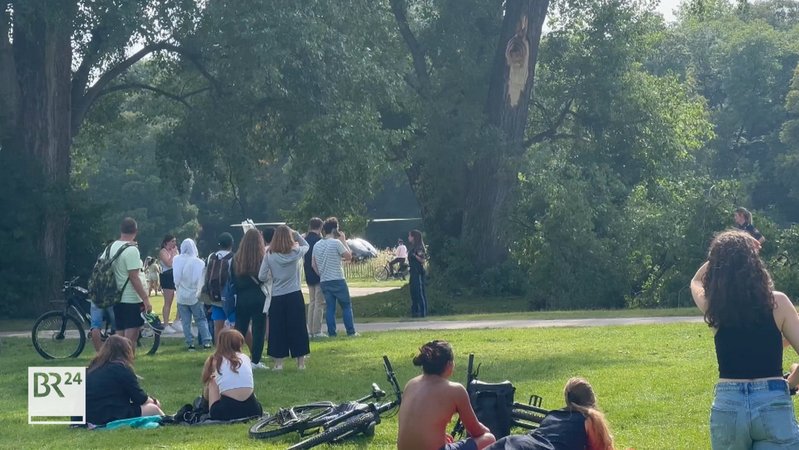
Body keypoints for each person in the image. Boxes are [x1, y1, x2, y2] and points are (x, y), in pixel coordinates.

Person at [691, 230, 799, 449]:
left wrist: (720, 255)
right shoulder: (778, 303)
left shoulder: (716, 305)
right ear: (754, 263)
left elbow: (696, 280)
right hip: (772, 400)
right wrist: (792, 382)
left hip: (729, 402)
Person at [398, 340, 495, 450]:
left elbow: (415, 423)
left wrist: (438, 436)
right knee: (489, 439)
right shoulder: (455, 390)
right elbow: (475, 430)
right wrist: (488, 432)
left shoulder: (411, 384)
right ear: (449, 364)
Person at [486, 378, 615, 450]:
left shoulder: (552, 415)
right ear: (592, 399)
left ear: (567, 399)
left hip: (510, 442)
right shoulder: (588, 420)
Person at [260, 225, 311, 370]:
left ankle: (278, 363)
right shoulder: (296, 253)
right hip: (294, 293)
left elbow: (261, 275)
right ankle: (300, 362)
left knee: (278, 329)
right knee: (298, 327)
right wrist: (296, 235)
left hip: (277, 295)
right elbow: (306, 245)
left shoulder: (269, 254)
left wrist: (272, 277)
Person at [86, 335, 163, 425]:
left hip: (89, 415)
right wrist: (154, 402)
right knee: (153, 408)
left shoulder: (92, 368)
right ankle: (170, 421)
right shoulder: (121, 368)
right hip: (108, 414)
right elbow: (139, 397)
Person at [108, 218, 152, 348]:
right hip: (131, 298)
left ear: (121, 230)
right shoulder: (132, 250)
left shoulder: (111, 247)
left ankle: (117, 363)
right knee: (130, 340)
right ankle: (126, 364)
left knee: (119, 336)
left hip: (116, 297)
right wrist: (145, 299)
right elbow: (134, 277)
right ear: (135, 231)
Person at [201, 328, 263, 420]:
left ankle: (205, 407)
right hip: (254, 410)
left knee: (212, 380)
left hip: (227, 411)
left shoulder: (216, 360)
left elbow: (205, 379)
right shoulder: (245, 358)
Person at [312, 217, 358, 337]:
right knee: (346, 306)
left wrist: (321, 273)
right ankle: (351, 331)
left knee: (330, 308)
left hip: (324, 280)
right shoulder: (336, 243)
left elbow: (313, 264)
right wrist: (343, 240)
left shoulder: (317, 245)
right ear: (334, 230)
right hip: (337, 278)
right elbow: (349, 256)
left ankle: (332, 332)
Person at [232, 228, 269, 369]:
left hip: (241, 297)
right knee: (259, 329)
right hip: (259, 296)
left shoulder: (236, 258)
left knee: (239, 328)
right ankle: (255, 360)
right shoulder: (262, 257)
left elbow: (233, 279)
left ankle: (234, 355)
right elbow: (264, 277)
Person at [172, 238, 213, 351]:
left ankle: (190, 343)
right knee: (200, 319)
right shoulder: (198, 262)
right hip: (194, 296)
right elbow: (200, 280)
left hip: (181, 295)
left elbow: (176, 280)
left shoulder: (176, 260)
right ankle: (206, 342)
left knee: (186, 322)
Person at [207, 232, 237, 346]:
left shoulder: (212, 257)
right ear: (231, 244)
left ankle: (219, 352)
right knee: (235, 326)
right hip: (229, 296)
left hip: (215, 296)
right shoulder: (233, 258)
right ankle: (236, 351)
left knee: (218, 327)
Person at [303, 218, 326, 338]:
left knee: (312, 302)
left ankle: (310, 329)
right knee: (319, 302)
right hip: (318, 274)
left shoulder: (305, 240)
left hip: (308, 274)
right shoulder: (319, 241)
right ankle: (317, 330)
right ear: (320, 227)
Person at [159, 235, 179, 333]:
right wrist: (174, 254)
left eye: (175, 241)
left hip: (175, 275)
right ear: (166, 242)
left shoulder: (175, 251)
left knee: (179, 300)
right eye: (172, 241)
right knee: (168, 301)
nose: (174, 243)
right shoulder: (163, 252)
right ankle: (166, 324)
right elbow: (168, 263)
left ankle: (177, 320)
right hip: (167, 276)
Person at [408, 229, 428, 318]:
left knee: (419, 292)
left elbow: (422, 260)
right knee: (413, 292)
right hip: (412, 272)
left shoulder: (419, 248)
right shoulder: (412, 248)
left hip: (418, 272)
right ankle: (415, 312)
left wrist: (415, 256)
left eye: (410, 236)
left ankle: (423, 312)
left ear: (413, 237)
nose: (408, 237)